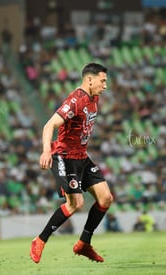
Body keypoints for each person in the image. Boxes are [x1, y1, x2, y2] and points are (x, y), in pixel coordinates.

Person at [30, 63, 113, 264]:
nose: (105, 86)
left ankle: (84, 243)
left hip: (81, 157)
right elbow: (49, 125)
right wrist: (46, 150)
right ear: (89, 80)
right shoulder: (76, 100)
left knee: (106, 198)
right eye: (102, 81)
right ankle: (40, 240)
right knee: (76, 203)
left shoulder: (95, 98)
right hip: (64, 156)